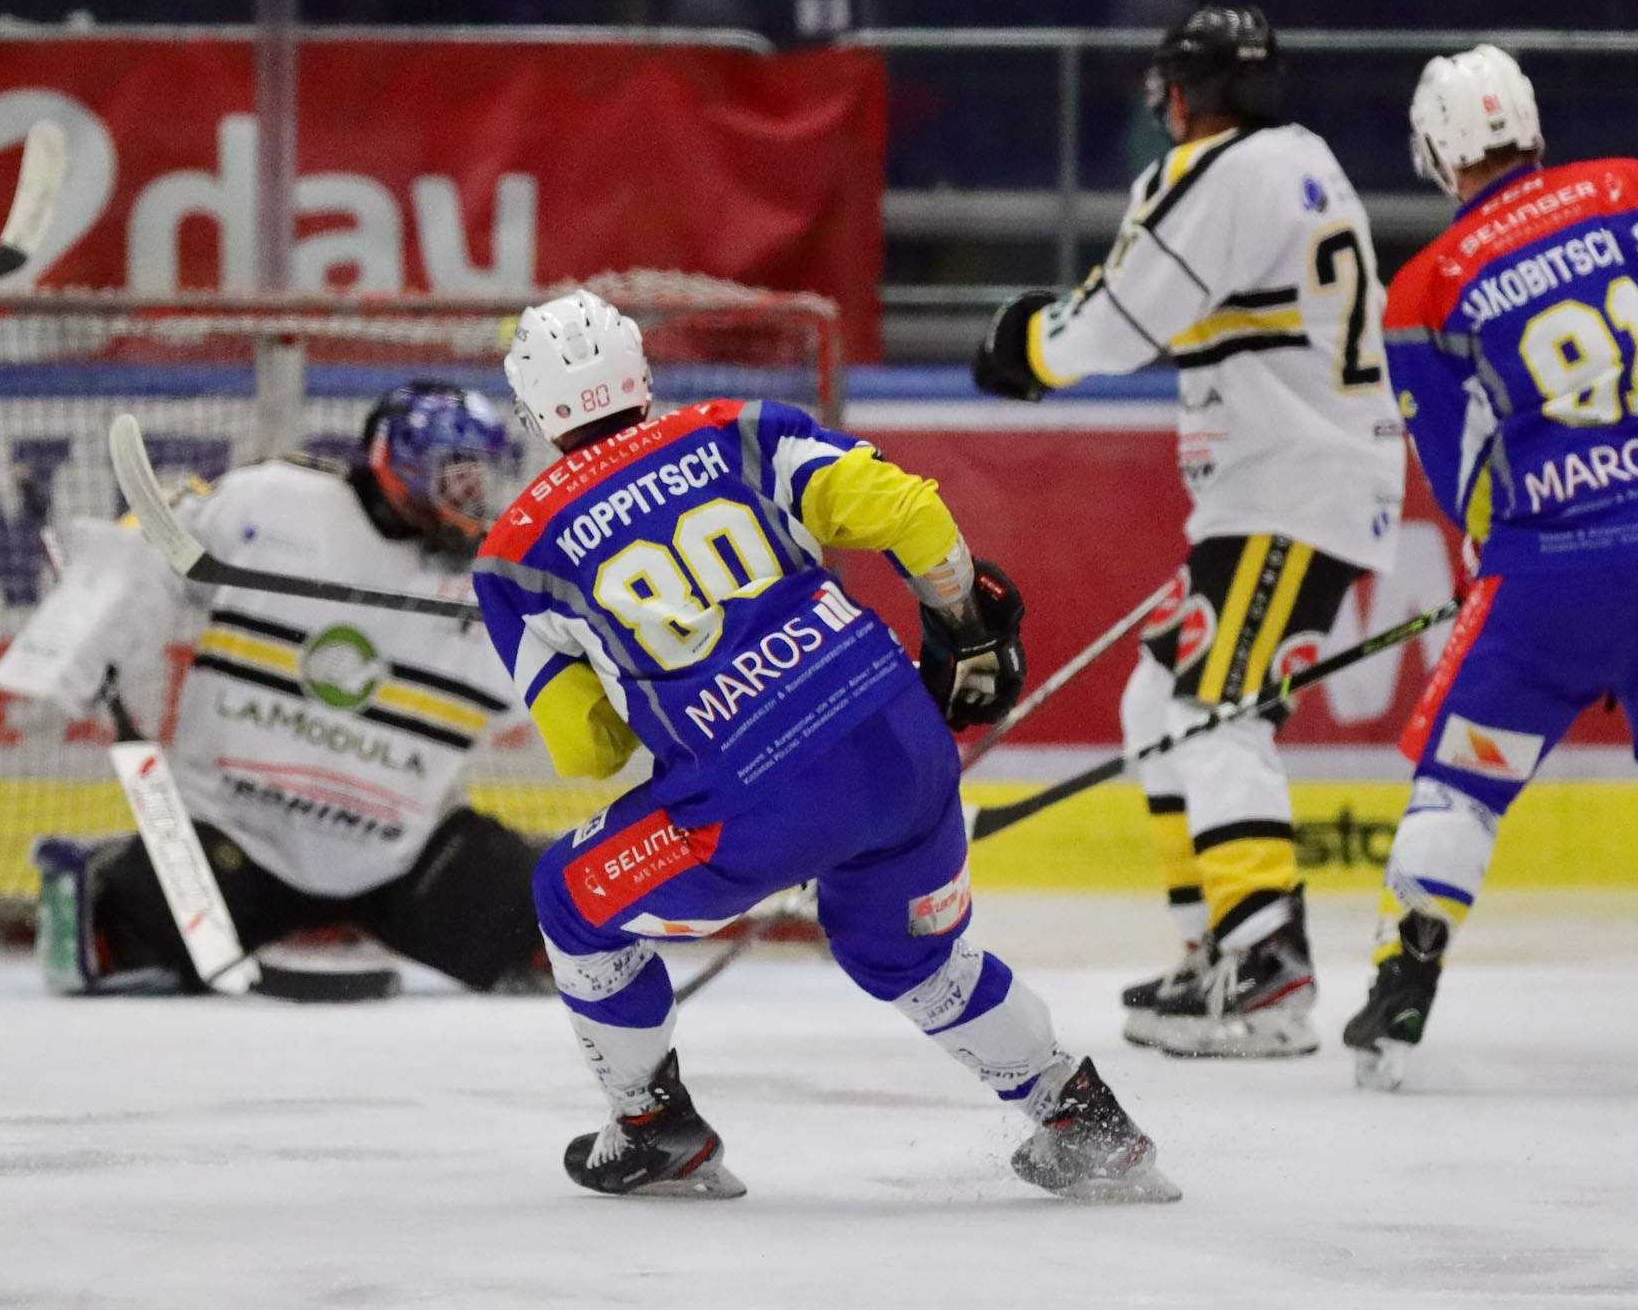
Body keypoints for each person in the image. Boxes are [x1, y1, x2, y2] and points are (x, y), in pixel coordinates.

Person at [473, 288, 1177, 1203]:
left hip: (752, 808)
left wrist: (619, 663)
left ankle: (651, 1123)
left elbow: (590, 752)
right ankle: (1082, 1119)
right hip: (902, 746)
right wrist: (962, 624)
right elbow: (913, 515)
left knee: (567, 897)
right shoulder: (738, 428)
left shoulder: (516, 555)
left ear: (532, 411)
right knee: (910, 955)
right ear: (640, 372)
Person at [1348, 44, 1638, 1092]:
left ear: (1436, 153)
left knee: (1460, 785)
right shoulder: (1637, 190)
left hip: (1552, 565)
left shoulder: (1423, 289)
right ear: (1530, 123)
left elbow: (1463, 475)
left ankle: (1402, 986)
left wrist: (1497, 558)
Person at [971, 5, 1407, 1059]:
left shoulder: (1214, 172)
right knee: (1157, 699)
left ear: (1182, 94)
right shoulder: (1304, 159)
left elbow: (1121, 319)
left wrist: (1028, 344)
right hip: (1295, 482)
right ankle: (1212, 945)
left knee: (1214, 711)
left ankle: (1264, 961)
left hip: (1286, 490)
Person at [0, 382, 548, 995]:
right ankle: (112, 880)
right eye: (456, 476)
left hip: (405, 860)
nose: (473, 496)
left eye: (479, 478)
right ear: (405, 465)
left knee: (566, 930)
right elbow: (148, 546)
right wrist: (88, 635)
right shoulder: (273, 503)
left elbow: (562, 690)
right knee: (104, 949)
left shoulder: (495, 582)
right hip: (234, 840)